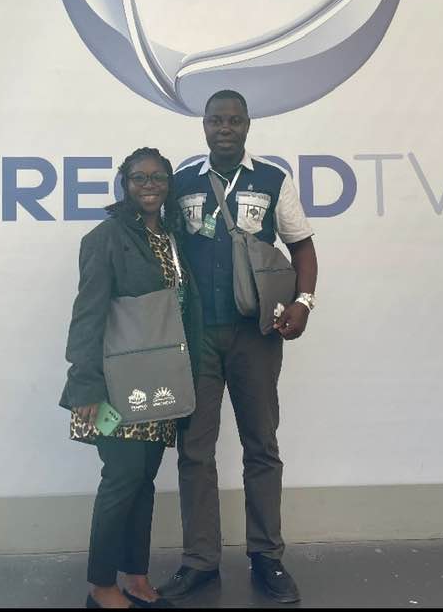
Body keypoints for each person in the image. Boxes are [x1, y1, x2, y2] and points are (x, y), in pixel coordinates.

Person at [158, 90, 318, 604]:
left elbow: (302, 246)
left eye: (233, 120)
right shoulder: (182, 183)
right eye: (215, 120)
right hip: (198, 337)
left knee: (261, 446)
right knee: (194, 451)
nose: (224, 128)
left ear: (247, 125)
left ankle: (267, 557)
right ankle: (199, 562)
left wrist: (304, 302)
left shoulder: (272, 179)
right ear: (204, 126)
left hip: (257, 334)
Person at [60, 148, 203, 610]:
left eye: (158, 177)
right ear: (125, 183)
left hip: (159, 382)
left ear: (168, 184)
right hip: (113, 383)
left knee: (143, 481)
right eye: (139, 177)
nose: (149, 185)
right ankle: (101, 586)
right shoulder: (105, 238)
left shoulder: (172, 237)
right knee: (120, 479)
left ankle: (135, 576)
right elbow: (88, 314)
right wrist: (85, 384)